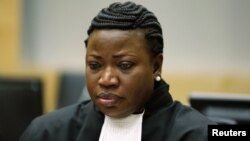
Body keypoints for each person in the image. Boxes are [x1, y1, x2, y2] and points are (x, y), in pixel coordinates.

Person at [19, 1, 216, 141]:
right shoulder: (47, 132)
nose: (106, 80)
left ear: (156, 65)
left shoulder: (199, 133)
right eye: (95, 65)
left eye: (124, 65)